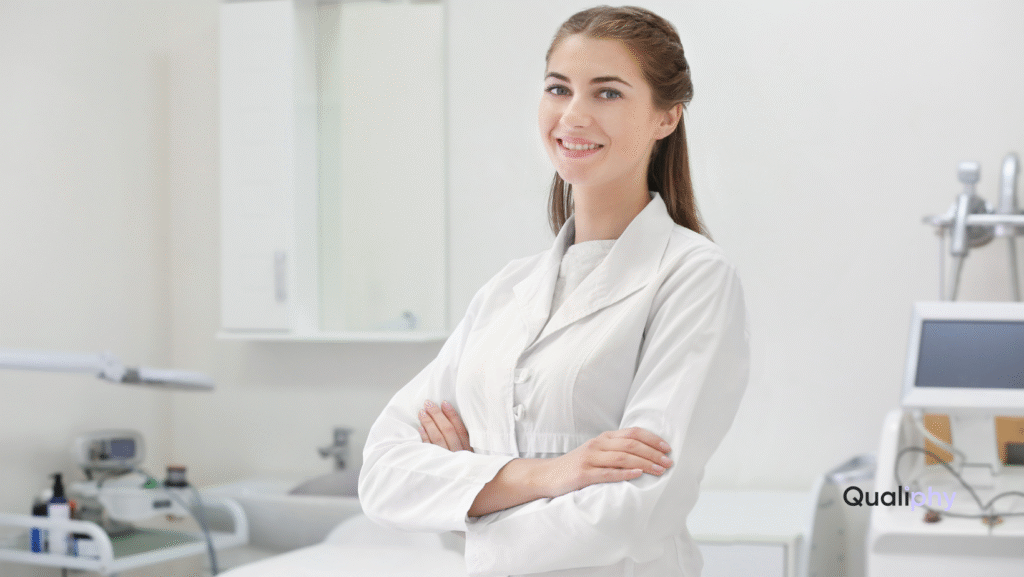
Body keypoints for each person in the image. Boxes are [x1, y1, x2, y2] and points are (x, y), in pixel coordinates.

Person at [358, 6, 750, 576]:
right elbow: (383, 475)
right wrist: (548, 473)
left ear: (665, 117)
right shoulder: (506, 291)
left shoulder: (692, 277)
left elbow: (635, 509)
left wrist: (470, 493)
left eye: (608, 93)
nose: (573, 115)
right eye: (558, 88)